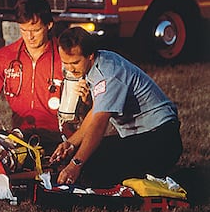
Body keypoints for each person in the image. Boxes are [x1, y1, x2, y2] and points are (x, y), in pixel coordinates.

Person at [50, 27, 182, 188]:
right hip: (144, 135)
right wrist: (70, 144)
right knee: (91, 158)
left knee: (91, 168)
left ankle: (176, 178)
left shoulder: (109, 73)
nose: (70, 68)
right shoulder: (98, 63)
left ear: (90, 55)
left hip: (161, 139)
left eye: (75, 62)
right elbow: (95, 112)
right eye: (66, 63)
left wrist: (76, 164)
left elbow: (99, 124)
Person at [0, 0, 65, 154]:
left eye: (35, 30)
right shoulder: (4, 57)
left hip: (59, 138)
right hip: (19, 138)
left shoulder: (65, 57)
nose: (29, 37)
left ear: (49, 25)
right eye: (24, 30)